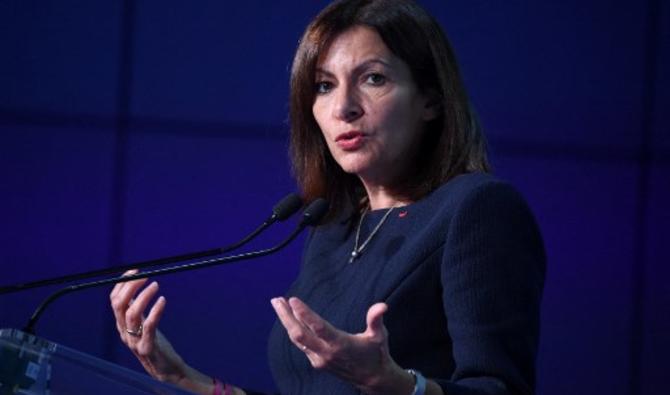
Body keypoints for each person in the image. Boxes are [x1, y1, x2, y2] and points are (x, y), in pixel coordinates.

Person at [109, 0, 546, 394]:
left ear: (430, 100)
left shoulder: (478, 209)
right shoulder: (332, 228)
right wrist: (184, 377)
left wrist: (395, 385)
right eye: (323, 86)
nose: (343, 108)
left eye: (373, 79)